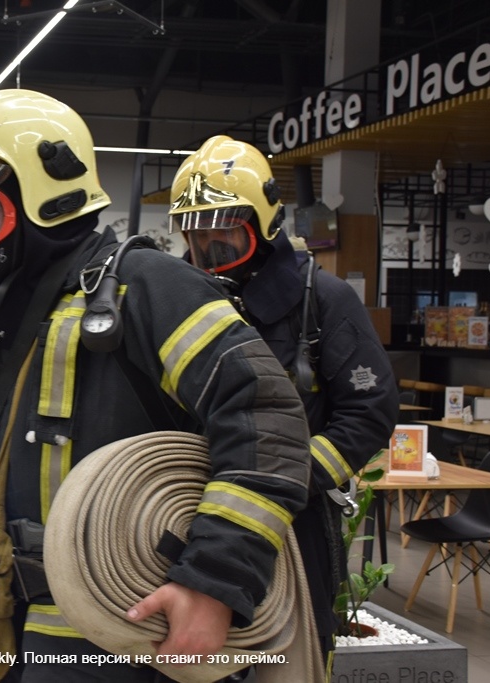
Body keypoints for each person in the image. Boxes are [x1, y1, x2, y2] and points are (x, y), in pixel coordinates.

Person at [0, 89, 312, 682]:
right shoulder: (10, 312)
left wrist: (214, 582)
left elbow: (270, 419)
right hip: (13, 618)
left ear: (45, 198)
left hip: (127, 632)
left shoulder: (148, 286)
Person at [167, 135, 400, 673]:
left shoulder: (323, 301)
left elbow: (369, 410)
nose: (207, 245)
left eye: (224, 227)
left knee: (290, 659)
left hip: (294, 522)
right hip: (189, 511)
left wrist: (289, 480)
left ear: (263, 222)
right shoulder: (176, 300)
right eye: (195, 231)